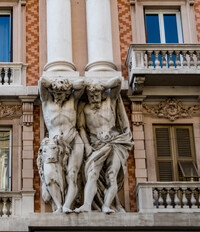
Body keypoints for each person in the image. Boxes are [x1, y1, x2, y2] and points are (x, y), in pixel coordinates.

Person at [75, 77, 133, 213]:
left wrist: (100, 84)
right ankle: (87, 205)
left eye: (96, 95)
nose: (94, 98)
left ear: (102, 93)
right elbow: (82, 128)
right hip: (96, 145)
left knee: (111, 175)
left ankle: (107, 205)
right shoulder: (85, 109)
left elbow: (118, 82)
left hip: (115, 143)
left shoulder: (109, 102)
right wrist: (87, 146)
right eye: (91, 95)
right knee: (92, 173)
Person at [39, 76, 85, 213]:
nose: (59, 96)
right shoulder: (46, 100)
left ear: (67, 92)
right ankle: (58, 205)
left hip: (73, 140)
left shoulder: (72, 100)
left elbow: (82, 84)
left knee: (72, 175)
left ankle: (67, 206)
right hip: (53, 144)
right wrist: (56, 84)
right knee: (49, 175)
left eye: (62, 93)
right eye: (56, 93)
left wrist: (66, 84)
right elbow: (42, 81)